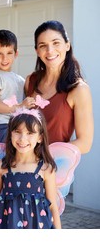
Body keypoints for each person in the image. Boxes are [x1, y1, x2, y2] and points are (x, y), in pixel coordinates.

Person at [24, 20, 93, 154]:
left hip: (56, 168)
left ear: (67, 46)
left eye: (56, 43)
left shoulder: (79, 89)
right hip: (25, 166)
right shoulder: (30, 81)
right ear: (37, 51)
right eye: (43, 45)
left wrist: (44, 157)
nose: (50, 51)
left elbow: (84, 143)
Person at [0, 29, 33, 143]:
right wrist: (19, 106)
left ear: (16, 54)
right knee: (8, 157)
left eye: (9, 53)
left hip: (19, 124)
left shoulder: (20, 79)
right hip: (3, 125)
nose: (5, 58)